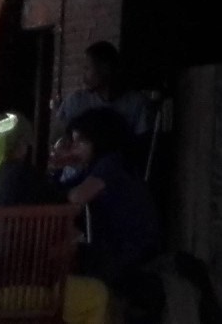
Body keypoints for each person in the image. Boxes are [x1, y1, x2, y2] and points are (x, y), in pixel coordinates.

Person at [52, 108, 165, 324]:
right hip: (118, 248)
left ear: (99, 141)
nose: (74, 148)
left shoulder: (111, 165)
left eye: (80, 142)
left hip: (132, 251)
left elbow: (76, 197)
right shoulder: (96, 167)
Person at [54, 41, 154, 147]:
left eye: (87, 68)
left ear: (106, 68)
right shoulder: (75, 101)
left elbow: (144, 146)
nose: (83, 77)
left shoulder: (137, 104)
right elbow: (57, 138)